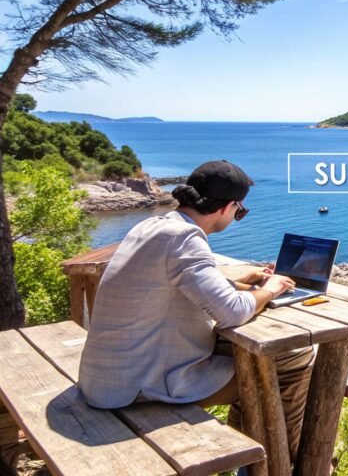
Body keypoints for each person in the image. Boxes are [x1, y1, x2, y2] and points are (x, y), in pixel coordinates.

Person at [78, 160, 314, 463]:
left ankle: (253, 460)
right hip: (137, 388)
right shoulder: (185, 238)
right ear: (227, 207)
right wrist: (272, 289)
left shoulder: (151, 226)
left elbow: (172, 283)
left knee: (254, 360)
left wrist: (240, 282)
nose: (236, 217)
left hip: (108, 376)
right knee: (295, 357)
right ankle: (284, 465)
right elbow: (232, 312)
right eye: (240, 212)